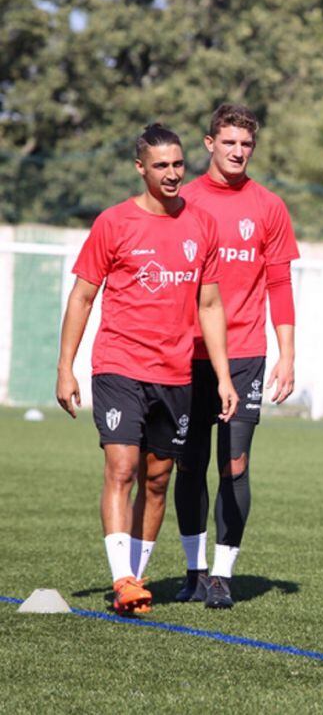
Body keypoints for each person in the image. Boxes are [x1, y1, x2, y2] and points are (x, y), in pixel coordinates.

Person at [56, 123, 238, 615]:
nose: (173, 173)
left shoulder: (202, 226)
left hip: (176, 372)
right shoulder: (113, 223)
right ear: (141, 168)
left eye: (178, 164)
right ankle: (122, 581)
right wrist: (65, 367)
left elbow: (212, 306)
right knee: (122, 467)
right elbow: (83, 296)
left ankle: (136, 578)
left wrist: (222, 376)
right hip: (119, 365)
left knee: (158, 480)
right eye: (161, 165)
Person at [172, 104, 300, 609]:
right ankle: (193, 571)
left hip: (246, 353)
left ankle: (223, 576)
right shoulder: (182, 203)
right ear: (209, 144)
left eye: (245, 144)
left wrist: (287, 355)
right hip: (188, 355)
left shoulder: (269, 207)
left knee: (235, 463)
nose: (238, 152)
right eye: (228, 142)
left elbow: (281, 283)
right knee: (187, 463)